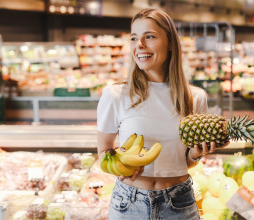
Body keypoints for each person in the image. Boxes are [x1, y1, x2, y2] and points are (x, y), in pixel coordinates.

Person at [97, 8, 229, 220]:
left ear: (169, 43)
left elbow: (185, 161)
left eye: (149, 36)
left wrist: (196, 154)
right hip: (128, 203)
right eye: (133, 38)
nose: (139, 45)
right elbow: (104, 151)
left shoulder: (195, 97)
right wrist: (119, 167)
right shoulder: (115, 95)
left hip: (179, 203)